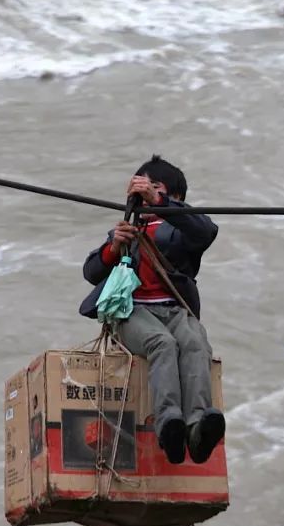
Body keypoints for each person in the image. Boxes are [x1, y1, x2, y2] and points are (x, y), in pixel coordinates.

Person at [79, 155, 225, 465]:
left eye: (154, 186)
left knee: (195, 343)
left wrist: (158, 202)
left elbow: (206, 231)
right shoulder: (128, 229)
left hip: (175, 310)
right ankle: (168, 421)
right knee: (163, 343)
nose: (144, 192)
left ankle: (197, 428)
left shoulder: (181, 228)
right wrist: (113, 248)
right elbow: (92, 272)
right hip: (133, 312)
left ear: (175, 197)